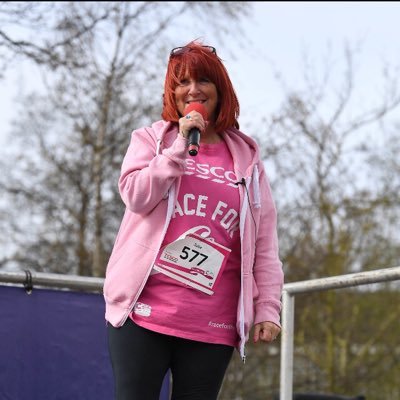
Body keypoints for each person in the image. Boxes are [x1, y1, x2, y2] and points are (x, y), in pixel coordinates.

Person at [104, 40, 284, 400]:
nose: (193, 90)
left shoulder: (247, 158)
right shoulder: (152, 141)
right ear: (172, 91)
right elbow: (136, 196)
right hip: (144, 310)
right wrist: (176, 151)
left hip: (212, 321)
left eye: (203, 80)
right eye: (182, 82)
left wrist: (268, 308)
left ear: (220, 89)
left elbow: (264, 243)